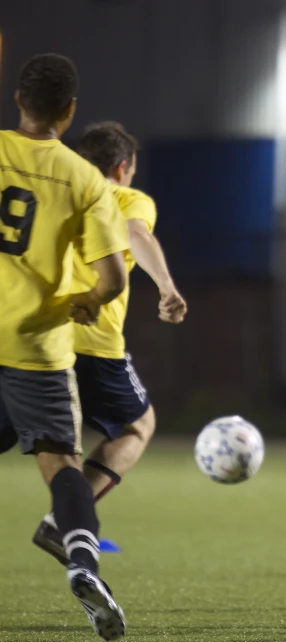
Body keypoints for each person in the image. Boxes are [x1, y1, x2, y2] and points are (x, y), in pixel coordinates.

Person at [0, 54, 130, 640]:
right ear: (69, 111)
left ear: (18, 99)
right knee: (63, 465)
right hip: (37, 347)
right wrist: (85, 300)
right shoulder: (83, 178)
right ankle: (82, 559)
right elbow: (112, 279)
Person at [32, 121, 187, 566]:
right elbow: (138, 234)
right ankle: (65, 522)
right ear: (122, 168)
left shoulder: (57, 194)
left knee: (55, 444)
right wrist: (166, 286)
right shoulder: (124, 198)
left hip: (37, 341)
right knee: (138, 427)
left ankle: (66, 520)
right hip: (93, 343)